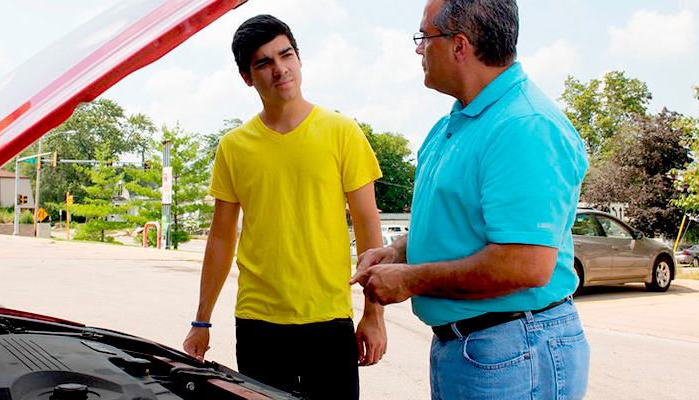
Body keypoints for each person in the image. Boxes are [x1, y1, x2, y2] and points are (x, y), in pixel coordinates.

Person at [350, 0, 590, 399]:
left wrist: (410, 280)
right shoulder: (457, 124)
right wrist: (398, 253)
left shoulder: (523, 126)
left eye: (424, 37)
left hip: (513, 348)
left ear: (459, 45)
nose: (418, 49)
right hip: (476, 349)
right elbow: (459, 224)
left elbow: (525, 264)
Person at [182, 14, 387, 399]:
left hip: (328, 321)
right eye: (264, 62)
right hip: (259, 324)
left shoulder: (342, 132)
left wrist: (373, 315)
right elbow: (221, 239)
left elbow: (368, 229)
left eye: (285, 55)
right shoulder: (234, 146)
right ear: (247, 77)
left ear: (299, 58)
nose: (280, 69)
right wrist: (202, 320)